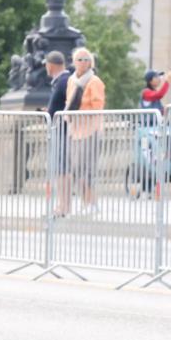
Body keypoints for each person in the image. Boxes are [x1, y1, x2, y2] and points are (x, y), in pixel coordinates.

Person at [64, 47, 106, 216]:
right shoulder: (71, 80)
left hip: (90, 129)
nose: (82, 62)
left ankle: (92, 202)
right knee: (77, 169)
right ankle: (85, 201)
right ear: (74, 62)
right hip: (75, 130)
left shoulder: (94, 81)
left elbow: (98, 105)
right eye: (79, 59)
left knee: (87, 169)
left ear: (91, 62)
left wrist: (79, 109)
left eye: (86, 59)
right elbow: (69, 101)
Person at [44, 51, 73, 216]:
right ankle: (63, 205)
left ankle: (64, 206)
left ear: (51, 65)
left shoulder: (63, 81)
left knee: (62, 170)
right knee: (61, 170)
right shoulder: (62, 81)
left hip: (62, 131)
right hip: (60, 129)